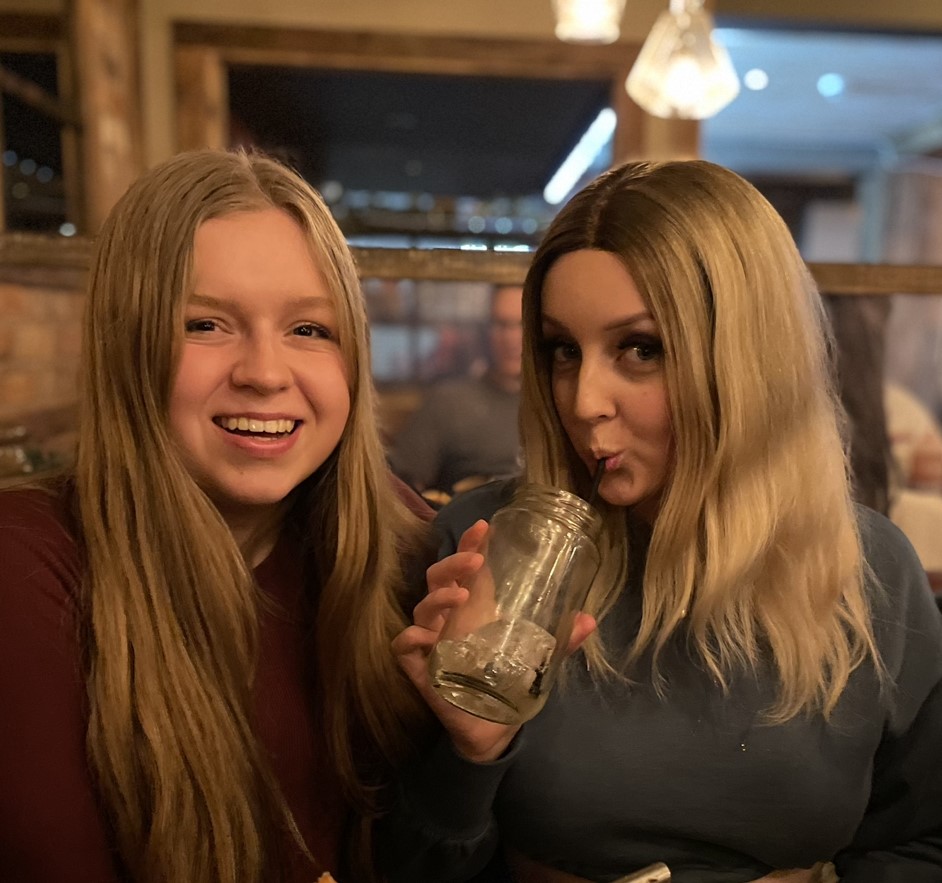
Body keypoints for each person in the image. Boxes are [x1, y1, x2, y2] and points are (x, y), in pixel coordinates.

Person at [384, 160, 942, 883]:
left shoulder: (874, 569)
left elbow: (922, 840)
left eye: (640, 349)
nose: (583, 400)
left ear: (747, 361)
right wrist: (470, 755)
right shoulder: (481, 548)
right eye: (561, 350)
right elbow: (398, 861)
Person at [0, 149, 436, 883]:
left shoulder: (390, 535)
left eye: (309, 330)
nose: (266, 372)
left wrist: (483, 742)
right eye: (206, 324)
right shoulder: (24, 568)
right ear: (128, 347)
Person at [389, 284, 524, 495]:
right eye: (501, 325)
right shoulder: (448, 401)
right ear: (486, 331)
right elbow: (399, 485)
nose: (512, 338)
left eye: (523, 325)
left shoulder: (557, 406)